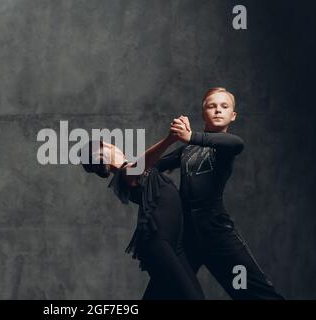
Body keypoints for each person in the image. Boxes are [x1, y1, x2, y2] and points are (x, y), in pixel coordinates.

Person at [159, 87, 284, 299]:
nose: (218, 110)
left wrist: (190, 136)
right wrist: (118, 162)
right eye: (212, 106)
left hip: (216, 234)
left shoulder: (226, 146)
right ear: (203, 113)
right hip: (187, 236)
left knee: (251, 290)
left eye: (224, 107)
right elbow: (154, 165)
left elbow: (236, 143)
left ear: (233, 115)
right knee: (163, 292)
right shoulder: (188, 149)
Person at [79, 130, 205, 300]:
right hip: (159, 243)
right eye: (109, 144)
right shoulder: (125, 174)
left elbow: (175, 156)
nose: (115, 145)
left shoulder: (141, 169)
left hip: (175, 246)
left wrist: (200, 138)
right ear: (104, 150)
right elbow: (143, 164)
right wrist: (170, 138)